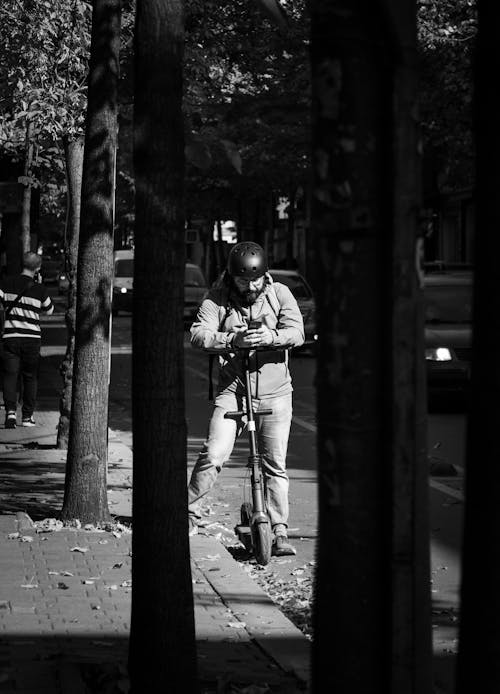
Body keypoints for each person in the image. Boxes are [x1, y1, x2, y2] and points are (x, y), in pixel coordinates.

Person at [187, 241, 305, 556]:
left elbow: (297, 332)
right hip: (233, 392)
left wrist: (272, 337)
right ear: (231, 275)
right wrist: (231, 339)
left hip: (275, 393)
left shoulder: (279, 294)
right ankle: (188, 512)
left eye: (255, 279)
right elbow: (199, 333)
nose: (250, 285)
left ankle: (279, 531)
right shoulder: (217, 298)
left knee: (274, 465)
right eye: (243, 280)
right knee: (214, 453)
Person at [0, 252, 54, 428]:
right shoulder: (40, 289)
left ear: (22, 264)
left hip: (10, 337)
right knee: (30, 378)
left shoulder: (6, 283)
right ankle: (27, 417)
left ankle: (10, 413)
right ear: (38, 268)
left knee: (10, 376)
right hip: (31, 339)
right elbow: (49, 310)